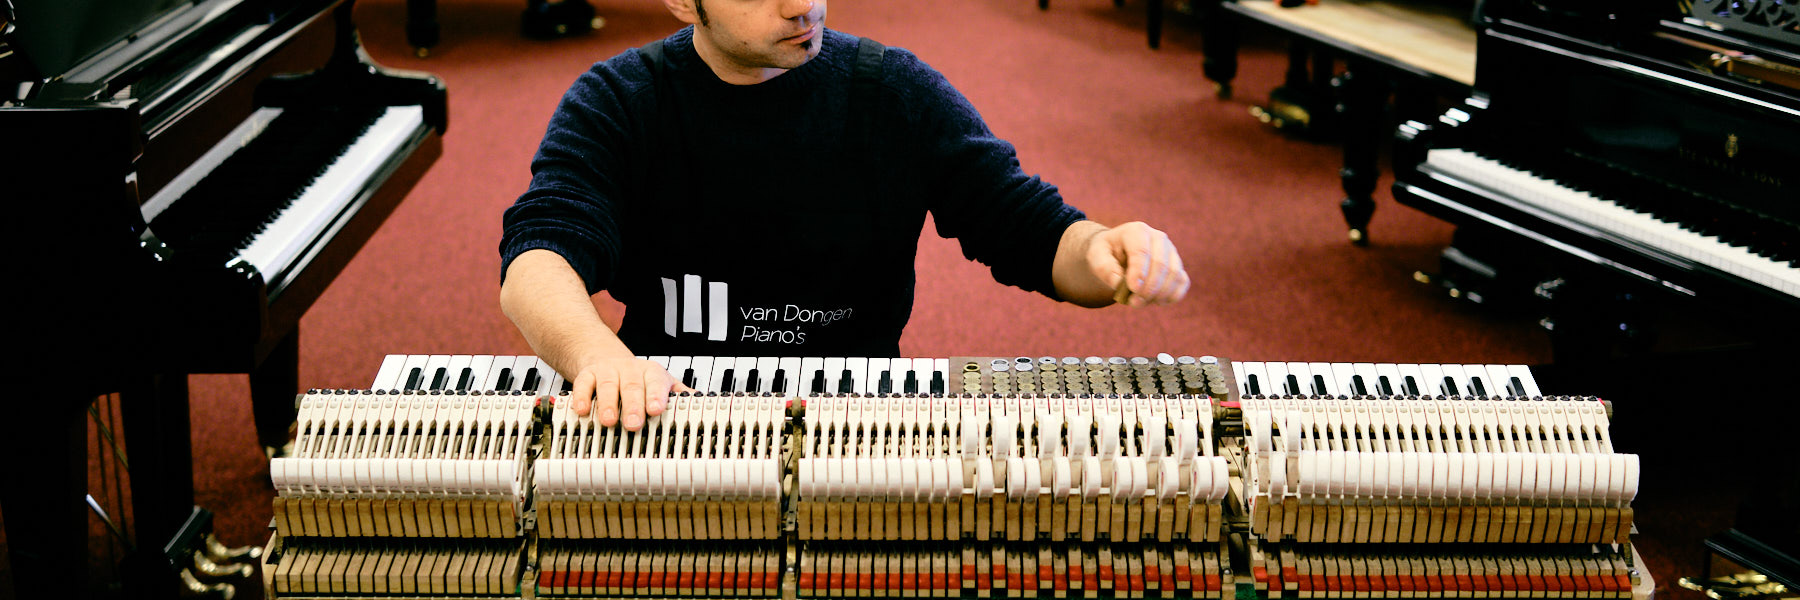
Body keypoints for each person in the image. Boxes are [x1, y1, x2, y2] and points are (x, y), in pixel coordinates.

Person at [499, 0, 1190, 432]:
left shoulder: (893, 91)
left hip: (857, 418)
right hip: (667, 412)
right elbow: (539, 254)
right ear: (684, 1)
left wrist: (1105, 248)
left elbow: (1030, 230)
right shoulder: (620, 99)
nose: (802, 6)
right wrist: (596, 355)